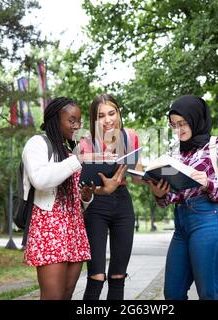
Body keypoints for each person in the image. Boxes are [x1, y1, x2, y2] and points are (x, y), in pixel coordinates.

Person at [22, 97, 126, 300]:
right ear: (54, 119)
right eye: (71, 120)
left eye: (79, 121)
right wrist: (78, 160)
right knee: (53, 296)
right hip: (49, 229)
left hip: (75, 229)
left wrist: (88, 196)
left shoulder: (70, 150)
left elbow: (75, 196)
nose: (77, 125)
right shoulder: (37, 143)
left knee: (67, 295)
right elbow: (40, 180)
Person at [145, 95, 218, 300]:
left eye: (183, 123)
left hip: (212, 219)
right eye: (173, 125)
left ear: (195, 118)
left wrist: (208, 183)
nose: (178, 129)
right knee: (172, 293)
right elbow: (174, 196)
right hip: (182, 223)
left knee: (209, 293)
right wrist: (160, 194)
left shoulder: (217, 145)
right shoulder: (175, 154)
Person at [78, 93, 142, 300]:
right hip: (96, 202)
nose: (108, 120)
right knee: (96, 275)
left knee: (118, 276)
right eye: (101, 116)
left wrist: (156, 175)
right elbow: (80, 182)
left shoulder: (130, 136)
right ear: (94, 119)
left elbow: (138, 177)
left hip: (123, 203)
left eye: (111, 113)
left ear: (118, 112)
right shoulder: (85, 142)